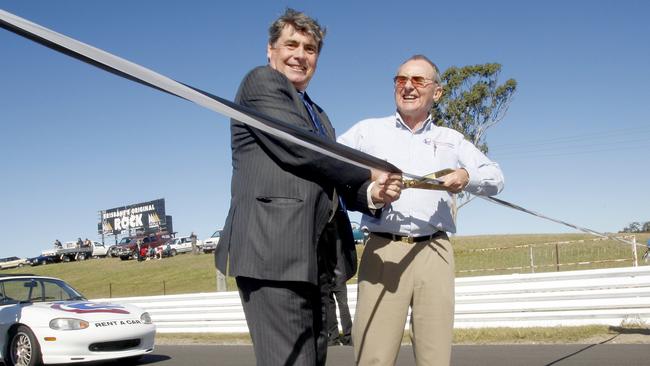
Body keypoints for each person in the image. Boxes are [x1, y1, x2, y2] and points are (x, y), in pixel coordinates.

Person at [215, 8, 401, 366]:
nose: (301, 54)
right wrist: (372, 169)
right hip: (273, 254)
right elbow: (302, 148)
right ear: (270, 50)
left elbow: (330, 175)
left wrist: (372, 194)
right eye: (291, 44)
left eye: (310, 48)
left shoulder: (319, 115)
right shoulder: (260, 83)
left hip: (315, 261)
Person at [338, 55, 505, 366]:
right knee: (372, 355)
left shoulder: (452, 140)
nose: (408, 87)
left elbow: (496, 177)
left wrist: (466, 176)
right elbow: (331, 165)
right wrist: (370, 189)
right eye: (401, 80)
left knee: (435, 357)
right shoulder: (367, 131)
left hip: (435, 252)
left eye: (418, 81)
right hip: (383, 250)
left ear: (437, 92)